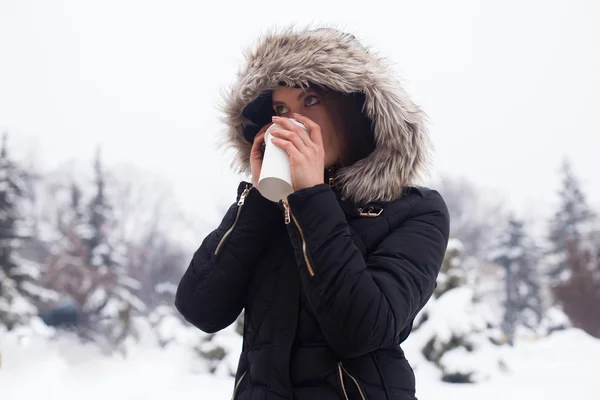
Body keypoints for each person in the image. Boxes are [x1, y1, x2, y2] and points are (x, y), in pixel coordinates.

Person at [175, 27, 450, 400]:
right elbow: (200, 307)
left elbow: (361, 329)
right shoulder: (271, 209)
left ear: (355, 109)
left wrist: (312, 197)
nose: (292, 122)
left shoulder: (414, 210)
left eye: (311, 101)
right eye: (280, 110)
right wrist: (259, 200)